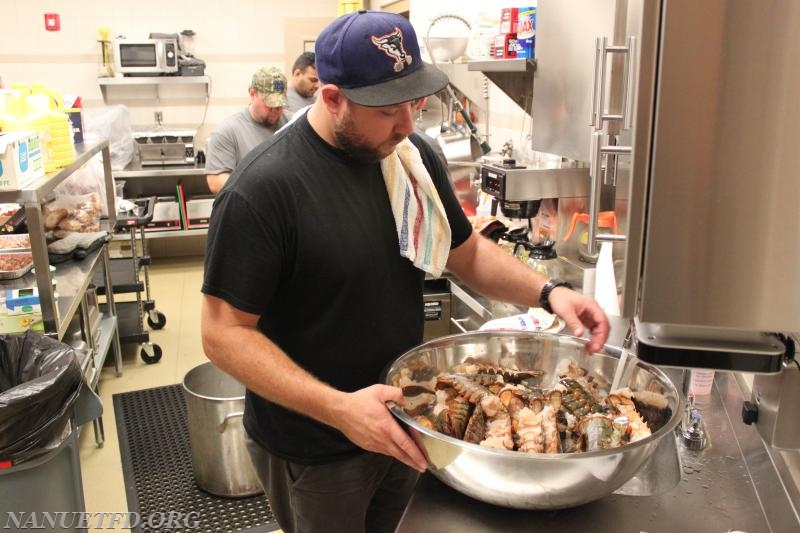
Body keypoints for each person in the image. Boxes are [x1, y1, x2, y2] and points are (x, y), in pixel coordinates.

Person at [201, 10, 609, 533]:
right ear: (332, 98)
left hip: (410, 419)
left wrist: (550, 292)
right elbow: (223, 334)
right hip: (320, 446)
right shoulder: (264, 191)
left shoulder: (411, 158)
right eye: (389, 109)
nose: (408, 124)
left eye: (415, 102)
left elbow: (466, 253)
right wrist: (340, 408)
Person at [204, 67, 289, 195]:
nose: (276, 109)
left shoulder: (293, 124)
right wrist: (260, 193)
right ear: (252, 94)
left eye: (280, 104)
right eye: (270, 103)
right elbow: (215, 182)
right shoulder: (228, 131)